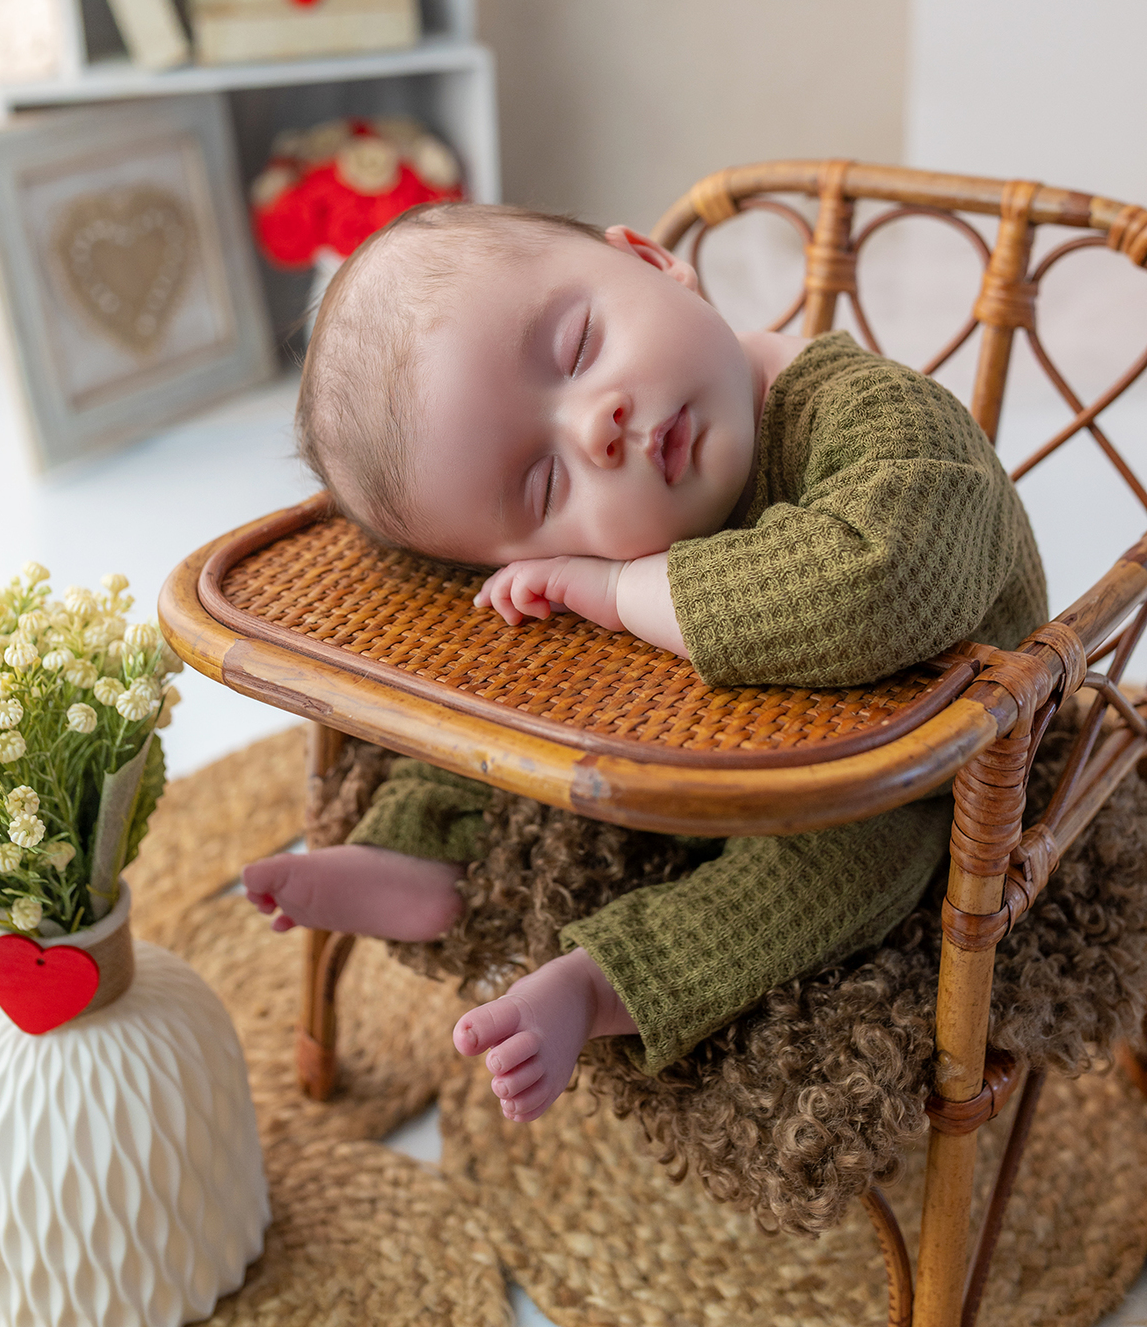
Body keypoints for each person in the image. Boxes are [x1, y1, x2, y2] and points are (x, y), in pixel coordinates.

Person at [243, 203, 1046, 1123]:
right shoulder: (633, 518)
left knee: (842, 863)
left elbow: (887, 584)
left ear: (654, 261)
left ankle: (609, 983)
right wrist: (568, 589)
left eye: (579, 347)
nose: (598, 425)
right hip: (722, 727)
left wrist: (620, 590)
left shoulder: (874, 416)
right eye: (547, 483)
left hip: (928, 758)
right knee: (512, 667)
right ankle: (421, 844)